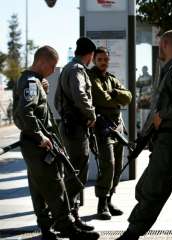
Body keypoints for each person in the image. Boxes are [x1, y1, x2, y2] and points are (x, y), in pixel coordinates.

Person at [13, 46, 99, 240]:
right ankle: (68, 229)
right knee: (55, 185)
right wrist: (39, 136)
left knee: (38, 188)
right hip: (39, 144)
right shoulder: (31, 82)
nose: (53, 71)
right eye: (52, 66)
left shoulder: (28, 80)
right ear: (42, 62)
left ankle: (46, 229)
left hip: (33, 143)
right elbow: (26, 112)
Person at [117, 30, 172, 240]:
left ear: (166, 44)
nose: (158, 48)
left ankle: (132, 234)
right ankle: (134, 228)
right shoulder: (170, 69)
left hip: (169, 139)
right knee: (144, 187)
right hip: (162, 140)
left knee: (153, 189)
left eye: (160, 44)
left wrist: (162, 115)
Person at [54, 37, 96, 231]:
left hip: (71, 126)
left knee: (74, 172)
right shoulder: (77, 70)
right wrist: (90, 114)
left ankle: (71, 217)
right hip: (75, 129)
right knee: (76, 174)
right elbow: (80, 95)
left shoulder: (68, 68)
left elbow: (57, 101)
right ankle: (67, 219)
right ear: (89, 55)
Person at [89, 46, 132, 220]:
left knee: (118, 166)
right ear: (94, 60)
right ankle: (101, 204)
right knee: (108, 164)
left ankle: (109, 199)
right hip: (103, 127)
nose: (103, 63)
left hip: (117, 127)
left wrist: (114, 93)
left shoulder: (111, 78)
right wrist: (116, 99)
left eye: (106, 60)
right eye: (100, 60)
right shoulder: (92, 77)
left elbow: (128, 96)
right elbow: (101, 98)